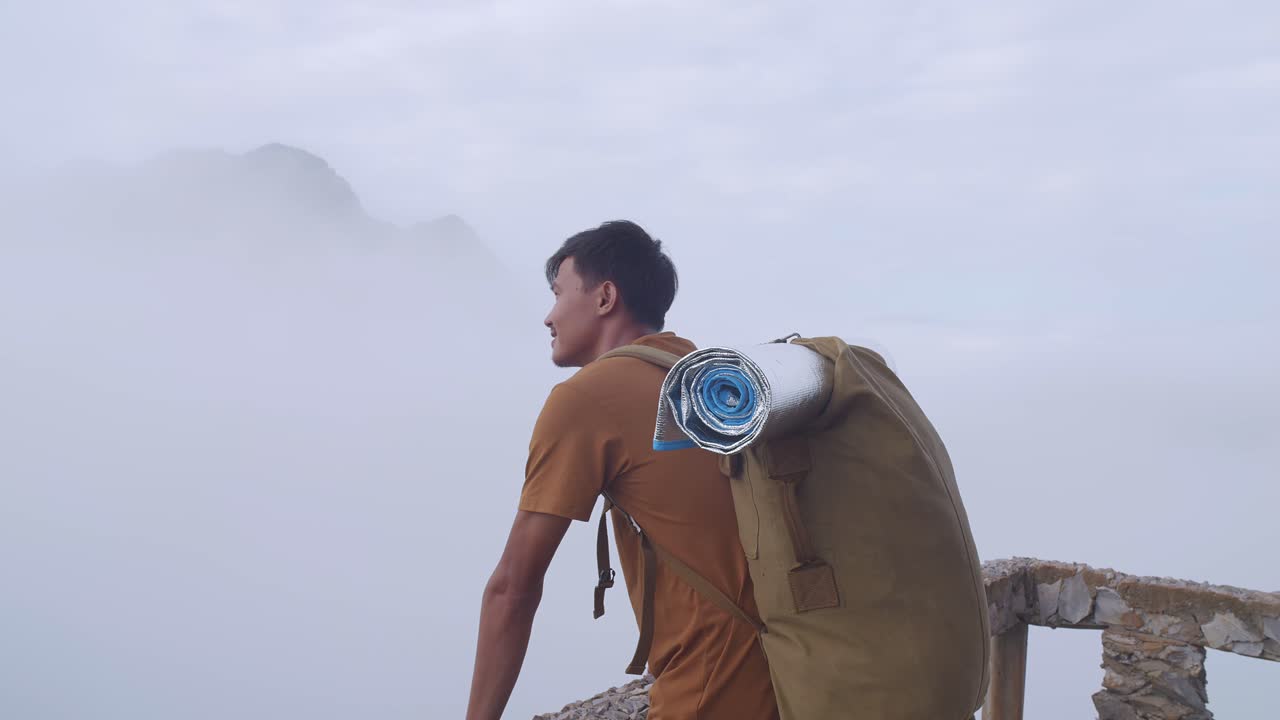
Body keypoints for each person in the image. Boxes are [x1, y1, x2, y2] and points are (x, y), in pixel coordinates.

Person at [465, 221, 779, 720]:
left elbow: (514, 586)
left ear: (605, 297)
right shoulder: (699, 375)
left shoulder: (588, 397)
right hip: (786, 671)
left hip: (711, 691)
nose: (548, 317)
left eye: (559, 293)